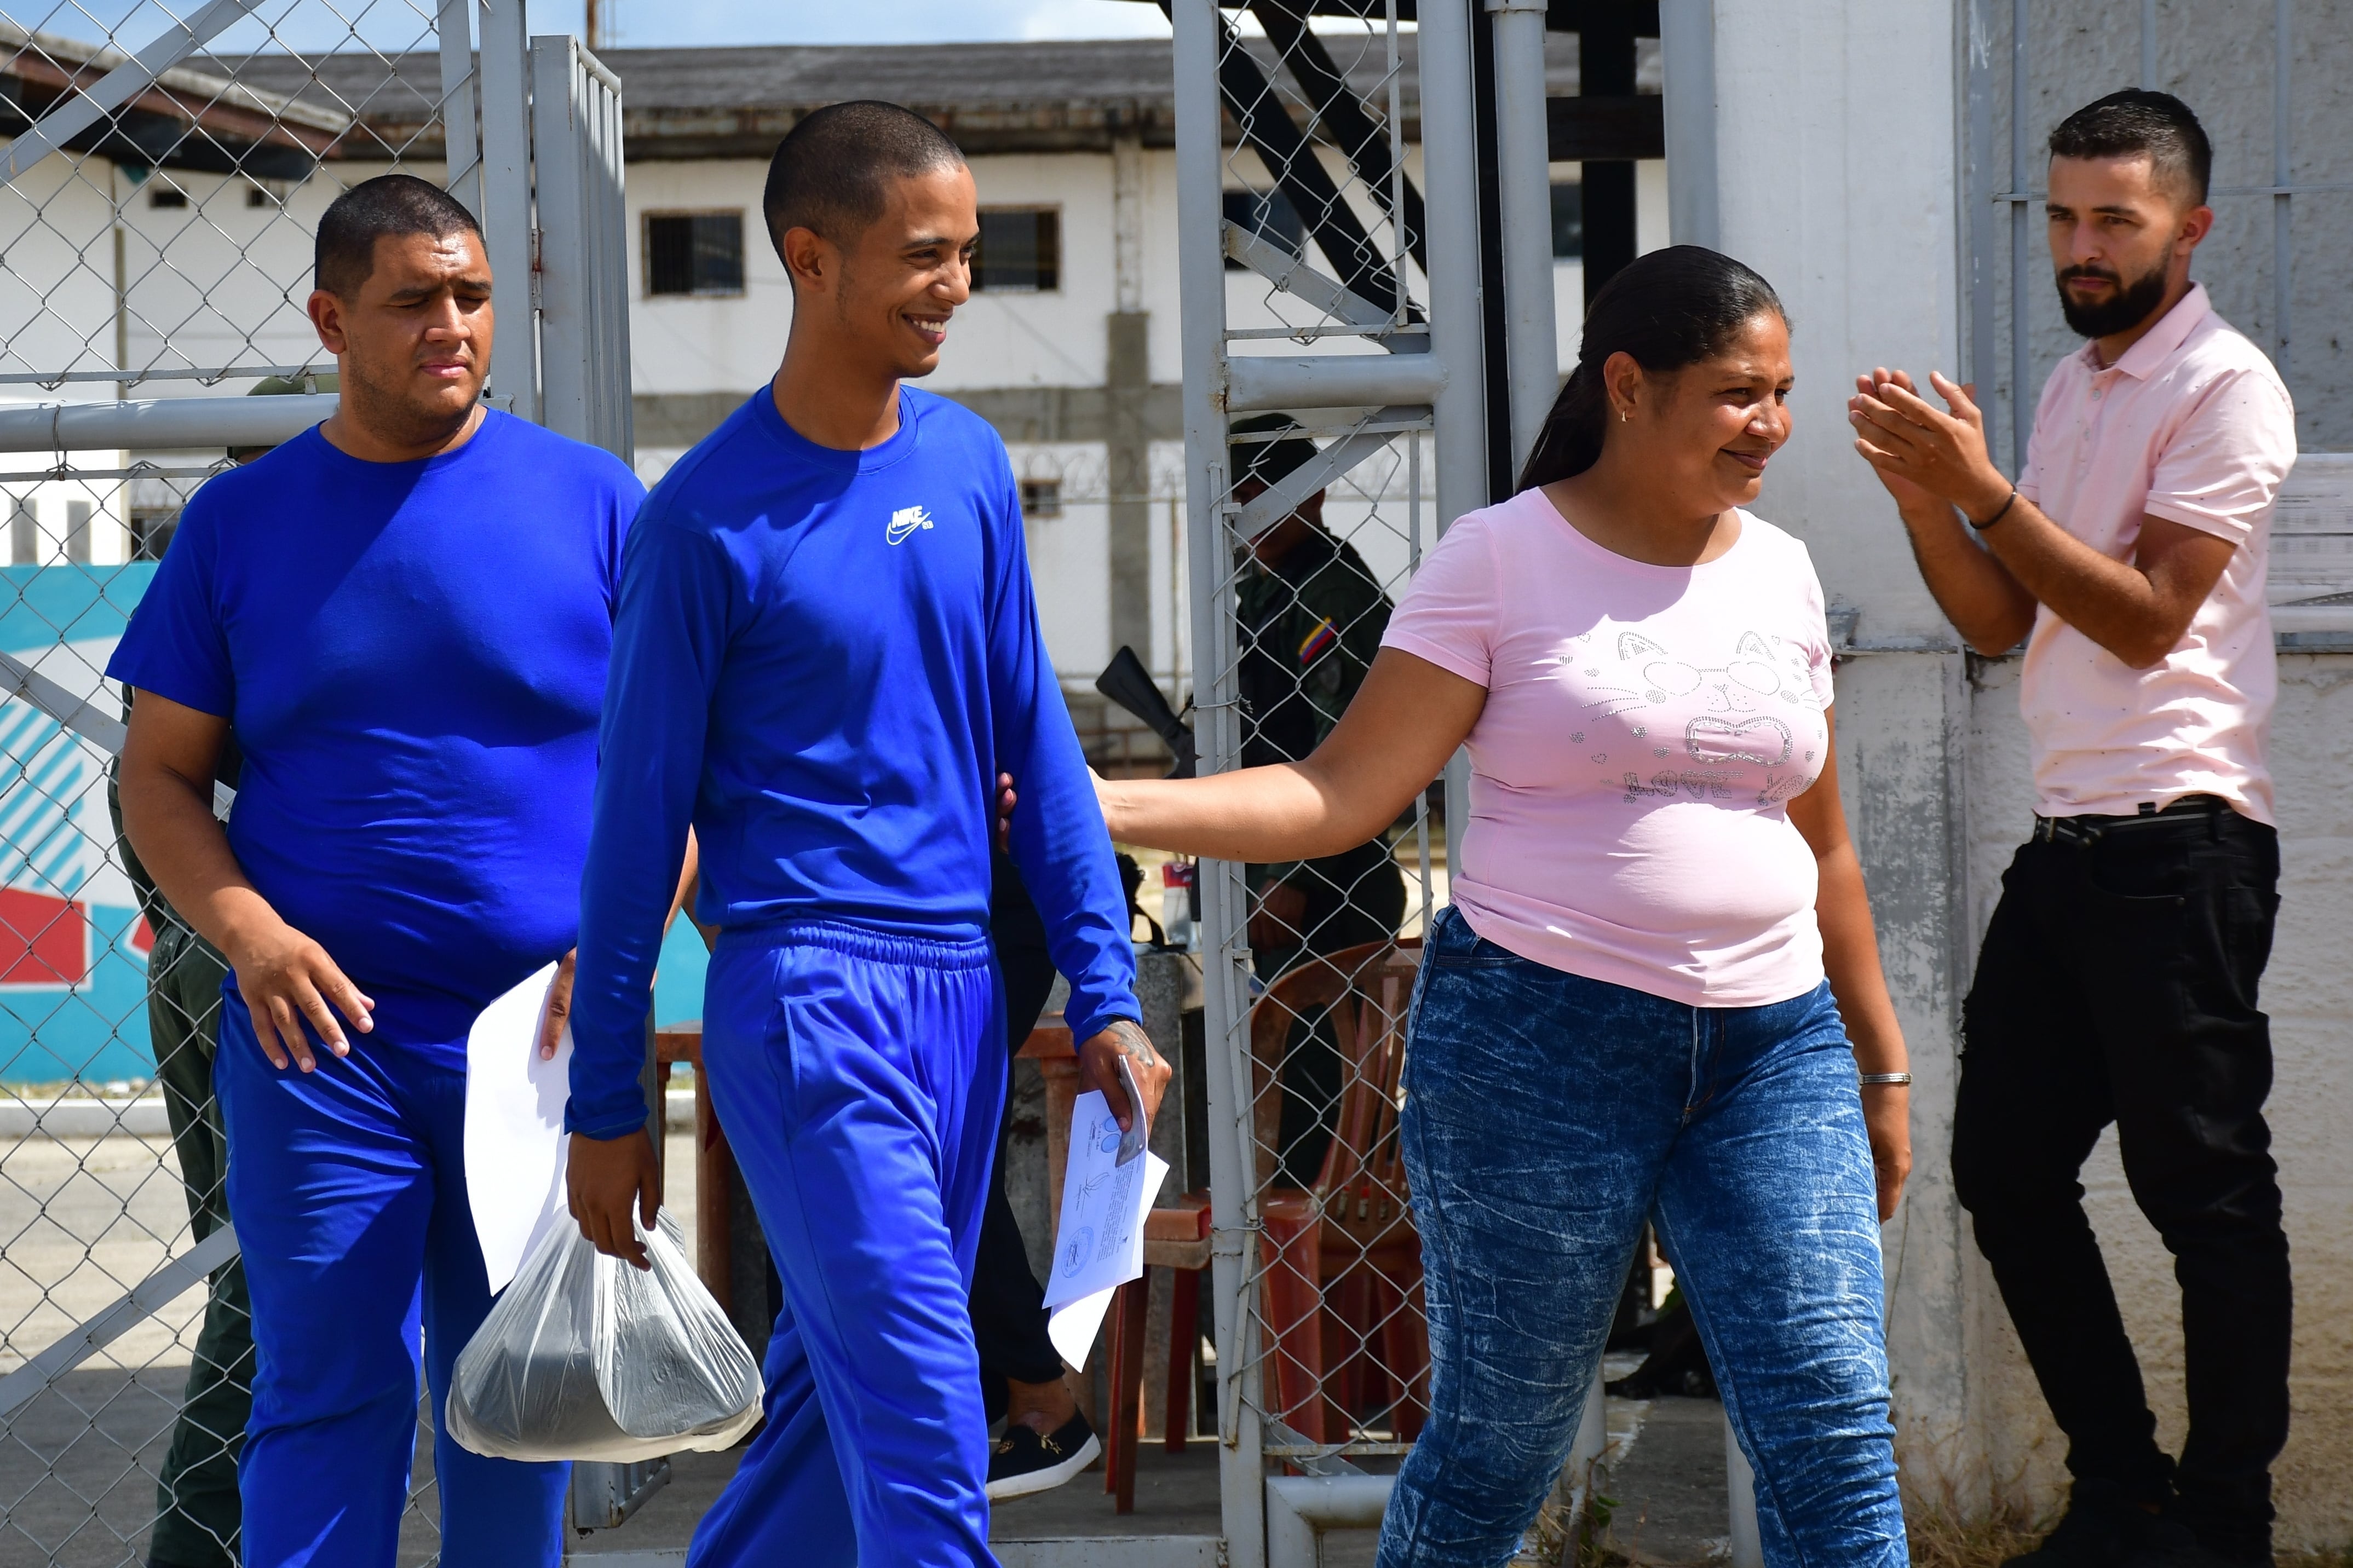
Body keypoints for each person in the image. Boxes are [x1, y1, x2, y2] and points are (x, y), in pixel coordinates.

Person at [1097, 245, 1914, 1568]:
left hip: (1774, 1052)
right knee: (1501, 1440)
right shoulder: (1498, 558)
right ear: (1628, 387)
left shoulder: (1781, 570)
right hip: (1539, 1046)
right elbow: (1338, 793)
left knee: (1832, 1418)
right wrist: (1107, 803)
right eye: (1736, 392)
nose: (1769, 423)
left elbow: (1824, 849)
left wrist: (1880, 1065)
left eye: (1780, 392)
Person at [561, 102, 1168, 1566]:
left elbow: (1040, 747)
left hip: (962, 993)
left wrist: (1105, 988)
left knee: (832, 1438)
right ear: (811, 258)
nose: (956, 284)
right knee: (927, 1419)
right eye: (923, 255)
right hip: (809, 1003)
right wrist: (606, 1101)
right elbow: (634, 836)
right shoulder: (700, 525)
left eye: (968, 252)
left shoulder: (966, 465)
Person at [110, 175, 645, 1568]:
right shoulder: (239, 523)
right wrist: (247, 933)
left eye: (472, 296)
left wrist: (616, 953)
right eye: (414, 301)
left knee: (516, 1401)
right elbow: (157, 775)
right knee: (325, 1393)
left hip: (538, 1042)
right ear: (332, 320)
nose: (452, 326)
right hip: (318, 1041)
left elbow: (679, 773)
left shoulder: (596, 502)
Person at [1849, 90, 2296, 1568]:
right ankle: (2122, 1492)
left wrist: (1982, 490)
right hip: (2068, 849)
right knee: (2005, 1171)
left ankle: (2225, 1526)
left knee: (2202, 1197)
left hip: (2183, 846)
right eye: (2061, 216)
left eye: (2115, 219)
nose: (2081, 247)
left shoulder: (2225, 386)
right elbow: (2004, 619)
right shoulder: (2072, 385)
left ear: (2191, 227)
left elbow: (2148, 618)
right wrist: (1929, 502)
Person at [114, 373, 323, 1568]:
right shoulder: (259, 555)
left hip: (209, 953)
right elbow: (150, 780)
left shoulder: (224, 548)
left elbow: (141, 788)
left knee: (259, 1277)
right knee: (270, 1286)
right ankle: (202, 1544)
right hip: (259, 963)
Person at [1229, 412, 1406, 1184]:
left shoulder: (1328, 590)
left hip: (1326, 885)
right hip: (1278, 869)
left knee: (1318, 1116)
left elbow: (1348, 753)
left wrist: (1292, 876)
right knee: (1278, 1092)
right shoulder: (1262, 588)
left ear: (1314, 495)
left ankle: (1323, 1245)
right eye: (1240, 495)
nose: (1252, 509)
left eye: (1267, 492)